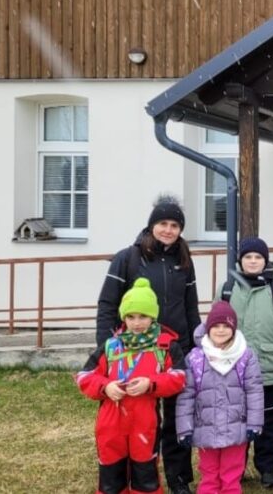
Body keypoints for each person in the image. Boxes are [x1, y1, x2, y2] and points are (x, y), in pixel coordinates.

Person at [94, 195, 200, 494]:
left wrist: (195, 346)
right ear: (152, 225)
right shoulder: (128, 257)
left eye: (175, 225)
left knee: (178, 418)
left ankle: (179, 478)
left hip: (174, 348)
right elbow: (107, 304)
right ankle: (127, 475)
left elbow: (190, 306)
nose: (168, 230)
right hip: (132, 351)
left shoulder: (184, 260)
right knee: (134, 415)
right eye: (163, 223)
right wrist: (106, 348)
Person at [77, 278, 187, 494]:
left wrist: (151, 384)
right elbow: (84, 376)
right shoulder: (111, 346)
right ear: (123, 317)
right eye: (130, 317)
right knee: (110, 479)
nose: (136, 323)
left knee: (145, 478)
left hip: (144, 422)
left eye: (143, 316)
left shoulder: (165, 346)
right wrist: (105, 387)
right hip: (111, 423)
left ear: (153, 316)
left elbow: (180, 377)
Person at [221, 236, 273, 488]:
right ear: (240, 261)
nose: (253, 261)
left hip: (269, 367)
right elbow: (217, 326)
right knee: (237, 420)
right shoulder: (228, 288)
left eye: (258, 257)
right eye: (248, 257)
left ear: (265, 261)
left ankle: (267, 469)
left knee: (267, 422)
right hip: (235, 369)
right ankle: (236, 468)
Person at [175, 301, 263, 494]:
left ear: (234, 328)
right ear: (208, 328)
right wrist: (184, 428)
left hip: (236, 428)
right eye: (216, 325)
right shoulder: (196, 358)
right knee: (209, 474)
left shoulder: (246, 356)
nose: (221, 330)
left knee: (231, 474)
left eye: (226, 326)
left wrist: (255, 424)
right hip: (206, 427)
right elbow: (186, 396)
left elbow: (254, 391)